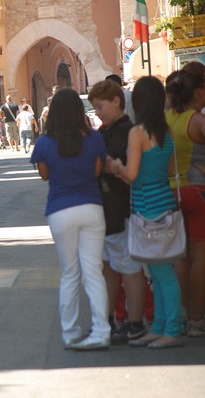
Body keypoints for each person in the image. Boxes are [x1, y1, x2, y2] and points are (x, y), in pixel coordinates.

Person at [30, 88, 110, 351]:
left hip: (60, 210)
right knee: (93, 271)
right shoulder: (95, 139)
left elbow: (45, 175)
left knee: (70, 272)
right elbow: (97, 171)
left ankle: (70, 332)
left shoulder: (43, 143)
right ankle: (101, 331)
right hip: (91, 206)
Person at [110, 75, 183, 348]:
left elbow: (131, 174)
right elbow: (170, 171)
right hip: (164, 203)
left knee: (161, 273)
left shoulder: (137, 133)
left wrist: (116, 166)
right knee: (159, 270)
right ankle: (161, 326)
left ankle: (172, 328)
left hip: (146, 208)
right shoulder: (167, 132)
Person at [88, 79, 148, 344]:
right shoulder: (107, 131)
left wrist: (107, 165)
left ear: (116, 101)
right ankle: (112, 319)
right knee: (109, 267)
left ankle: (135, 322)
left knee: (127, 266)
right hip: (106, 208)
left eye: (100, 107)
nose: (98, 113)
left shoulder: (126, 131)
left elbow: (111, 165)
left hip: (120, 207)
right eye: (95, 108)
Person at [165, 63, 205, 337]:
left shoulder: (166, 119)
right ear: (197, 93)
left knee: (181, 256)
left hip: (172, 191)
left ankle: (179, 312)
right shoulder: (197, 120)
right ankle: (197, 319)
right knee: (201, 257)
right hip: (198, 190)